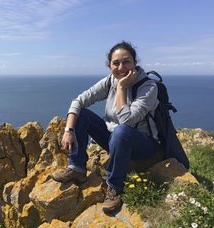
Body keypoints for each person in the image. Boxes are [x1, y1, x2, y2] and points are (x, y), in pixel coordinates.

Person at [52, 41, 159, 214]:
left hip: (142, 146)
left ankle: (115, 187)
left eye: (126, 61)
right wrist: (68, 130)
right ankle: (77, 168)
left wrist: (122, 88)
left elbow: (127, 121)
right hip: (115, 140)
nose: (121, 67)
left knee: (121, 130)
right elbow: (78, 101)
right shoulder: (110, 81)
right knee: (83, 114)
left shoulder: (147, 87)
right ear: (109, 66)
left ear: (135, 63)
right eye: (116, 63)